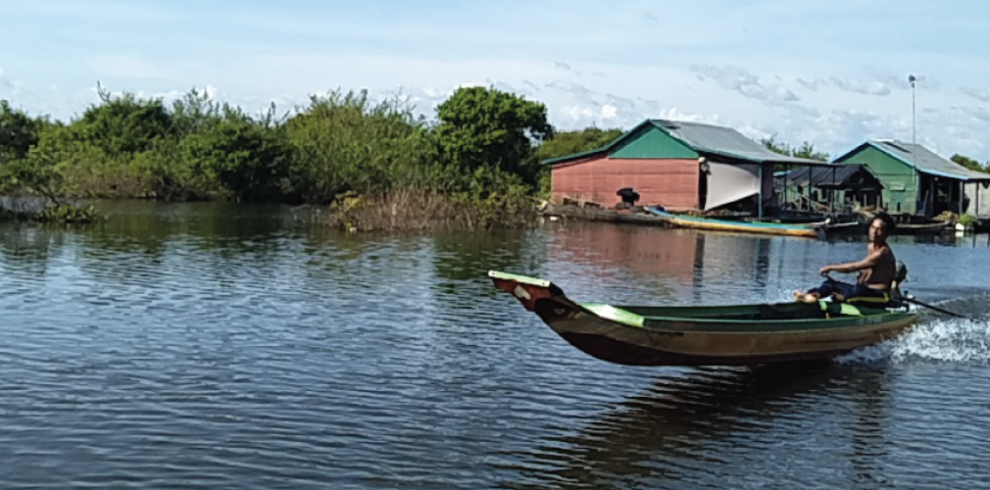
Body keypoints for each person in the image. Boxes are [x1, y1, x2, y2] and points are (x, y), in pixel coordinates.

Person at [794, 213, 897, 304]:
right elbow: (868, 271)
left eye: (879, 230)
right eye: (873, 227)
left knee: (855, 291)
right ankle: (812, 296)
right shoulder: (871, 246)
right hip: (863, 290)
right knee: (830, 284)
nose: (874, 232)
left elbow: (854, 266)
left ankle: (842, 298)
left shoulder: (883, 253)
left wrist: (831, 268)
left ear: (886, 233)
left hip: (878, 295)